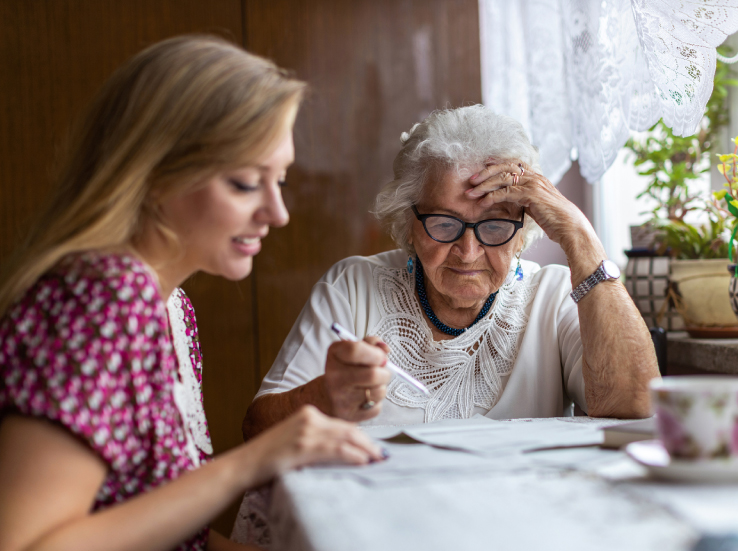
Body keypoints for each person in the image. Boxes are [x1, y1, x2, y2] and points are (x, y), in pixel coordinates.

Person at [0, 36, 390, 551]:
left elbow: (134, 511)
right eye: (246, 183)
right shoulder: (102, 298)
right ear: (156, 172)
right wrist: (253, 461)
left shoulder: (170, 308)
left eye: (280, 180)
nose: (278, 213)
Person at [241, 104, 657, 438]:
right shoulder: (353, 287)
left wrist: (579, 236)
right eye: (444, 224)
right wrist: (324, 395)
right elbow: (257, 430)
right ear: (409, 224)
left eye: (494, 226)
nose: (468, 251)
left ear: (520, 231)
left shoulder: (551, 296)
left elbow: (637, 408)